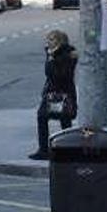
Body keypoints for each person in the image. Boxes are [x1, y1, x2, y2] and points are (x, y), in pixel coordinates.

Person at [29, 30, 78, 160]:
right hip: (53, 92)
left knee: (63, 119)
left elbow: (57, 74)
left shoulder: (67, 55)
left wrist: (51, 59)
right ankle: (46, 149)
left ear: (59, 41)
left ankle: (64, 149)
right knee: (45, 117)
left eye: (51, 39)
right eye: (48, 39)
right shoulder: (53, 54)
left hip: (62, 93)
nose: (48, 42)